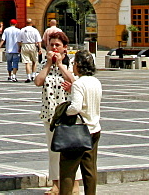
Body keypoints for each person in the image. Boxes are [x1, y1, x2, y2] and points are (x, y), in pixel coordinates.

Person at [35, 30, 75, 195]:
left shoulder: (70, 62)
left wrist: (59, 65)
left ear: (65, 47)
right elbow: (38, 82)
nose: (54, 48)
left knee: (70, 150)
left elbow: (74, 81)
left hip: (67, 112)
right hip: (49, 112)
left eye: (57, 45)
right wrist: (48, 65)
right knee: (53, 149)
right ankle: (56, 184)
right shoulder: (45, 62)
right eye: (51, 45)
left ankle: (73, 183)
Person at [59, 49, 102, 195]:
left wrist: (65, 111)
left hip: (78, 131)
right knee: (89, 169)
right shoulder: (96, 82)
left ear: (77, 64)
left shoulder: (79, 83)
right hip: (95, 128)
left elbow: (76, 107)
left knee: (67, 169)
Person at [19, 18, 44, 82]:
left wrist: (20, 47)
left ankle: (28, 77)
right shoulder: (35, 30)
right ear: (32, 23)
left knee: (27, 62)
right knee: (34, 61)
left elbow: (19, 40)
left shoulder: (22, 30)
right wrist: (40, 49)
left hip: (25, 45)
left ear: (26, 23)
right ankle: (33, 75)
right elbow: (38, 40)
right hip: (33, 45)